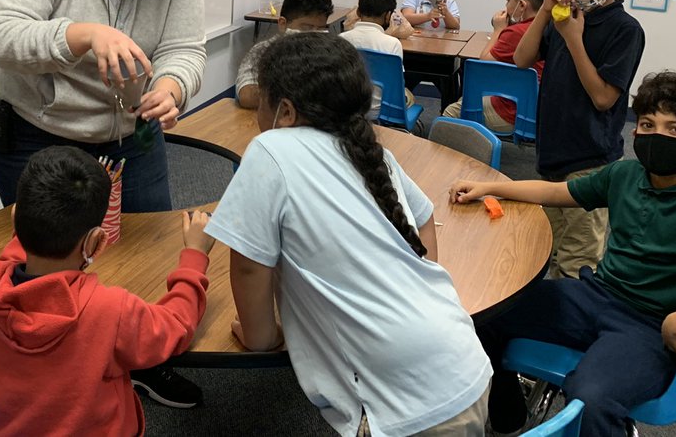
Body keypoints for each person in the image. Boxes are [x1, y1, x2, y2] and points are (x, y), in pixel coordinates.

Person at [0, 0, 206, 406]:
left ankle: (143, 359)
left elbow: (187, 48)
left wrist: (175, 85)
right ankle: (52, 380)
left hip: (131, 129)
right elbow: (2, 36)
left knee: (149, 246)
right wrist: (80, 34)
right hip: (34, 128)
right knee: (55, 265)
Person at [451, 71, 676, 437]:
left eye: (675, 130)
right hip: (595, 295)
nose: (657, 136)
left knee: (592, 398)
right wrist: (491, 186)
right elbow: (560, 193)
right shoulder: (624, 175)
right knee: (482, 316)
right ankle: (508, 417)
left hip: (648, 326)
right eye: (648, 124)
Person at [208, 34, 491, 436]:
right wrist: (412, 279)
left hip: (407, 413)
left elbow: (250, 267)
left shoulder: (271, 148)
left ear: (284, 111)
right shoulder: (376, 156)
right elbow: (425, 218)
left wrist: (260, 336)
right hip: (467, 364)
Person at [0, 147, 214, 436]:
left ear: (15, 218)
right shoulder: (109, 310)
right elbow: (175, 327)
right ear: (97, 241)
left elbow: (14, 253)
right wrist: (195, 255)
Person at [514, 0, 645, 278]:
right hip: (553, 152)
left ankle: (568, 328)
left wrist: (573, 38)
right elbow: (521, 59)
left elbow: (603, 98)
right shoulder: (562, 16)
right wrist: (544, 12)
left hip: (589, 160)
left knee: (578, 262)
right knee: (547, 247)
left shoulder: (624, 30)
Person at [441, 0, 550, 133]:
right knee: (468, 100)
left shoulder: (515, 32)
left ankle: (462, 155)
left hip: (514, 111)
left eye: (508, 0)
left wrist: (498, 30)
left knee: (451, 112)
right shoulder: (551, 26)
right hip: (542, 108)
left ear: (521, 5)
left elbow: (484, 62)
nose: (506, 6)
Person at [235, 0, 333, 109]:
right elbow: (247, 96)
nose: (313, 35)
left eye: (320, 29)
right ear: (282, 24)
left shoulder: (327, 53)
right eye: (306, 27)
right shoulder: (263, 51)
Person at [339, 0, 414, 118]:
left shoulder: (341, 39)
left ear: (359, 12)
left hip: (347, 110)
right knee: (409, 95)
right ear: (388, 15)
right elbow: (396, 84)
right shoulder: (392, 44)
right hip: (381, 112)